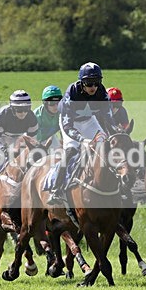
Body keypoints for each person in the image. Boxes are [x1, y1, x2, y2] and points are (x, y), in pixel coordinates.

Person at [48, 62, 117, 204]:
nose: (93, 87)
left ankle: (114, 183)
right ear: (81, 83)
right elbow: (67, 125)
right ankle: (56, 189)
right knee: (71, 150)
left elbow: (108, 118)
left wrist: (115, 133)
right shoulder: (72, 93)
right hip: (70, 123)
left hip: (89, 121)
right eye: (89, 83)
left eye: (97, 82)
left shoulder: (101, 92)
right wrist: (81, 139)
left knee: (105, 146)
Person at [34, 85, 63, 150]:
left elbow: (64, 133)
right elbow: (35, 139)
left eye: (58, 102)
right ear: (45, 103)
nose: (56, 106)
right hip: (34, 140)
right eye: (52, 103)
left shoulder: (63, 113)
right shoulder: (37, 116)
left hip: (50, 138)